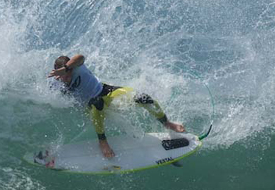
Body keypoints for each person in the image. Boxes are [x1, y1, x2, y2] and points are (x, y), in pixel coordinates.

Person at [48, 54, 185, 158]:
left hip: (105, 91)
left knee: (144, 98)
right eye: (63, 77)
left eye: (67, 74)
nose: (66, 78)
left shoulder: (76, 66)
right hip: (90, 106)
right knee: (97, 103)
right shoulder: (56, 83)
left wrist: (65, 68)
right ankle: (103, 142)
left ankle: (167, 123)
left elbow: (80, 57)